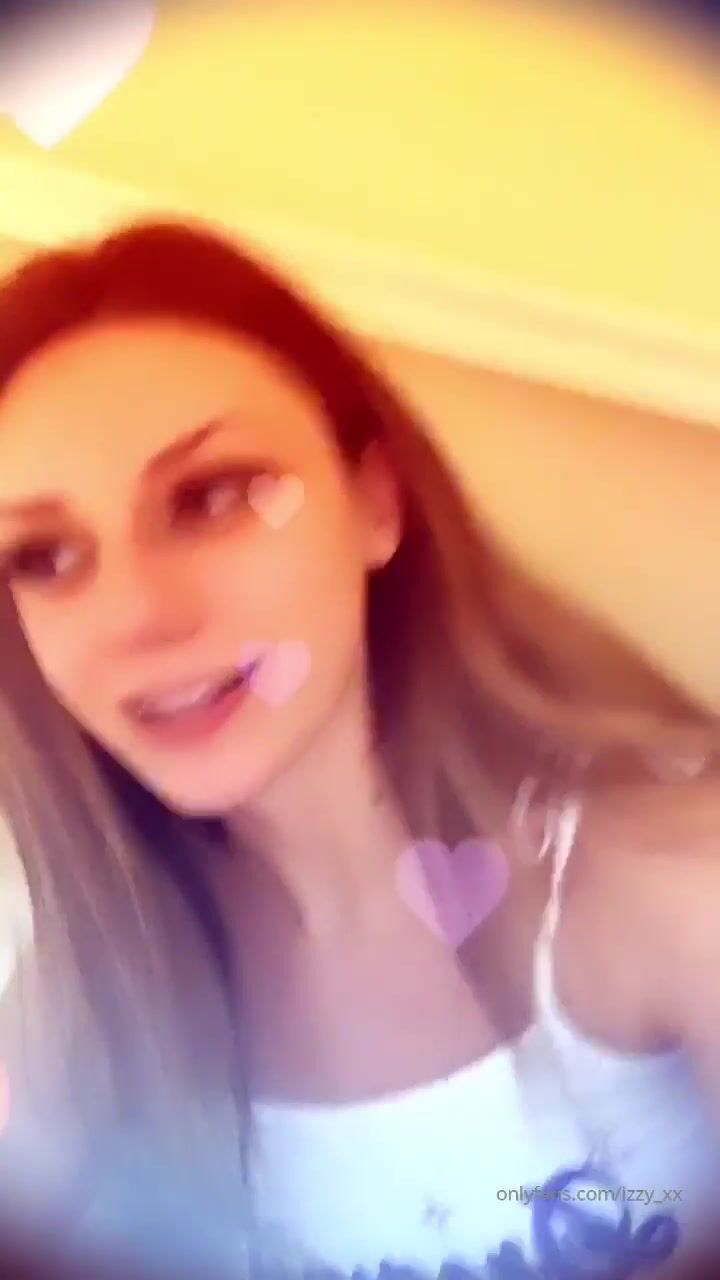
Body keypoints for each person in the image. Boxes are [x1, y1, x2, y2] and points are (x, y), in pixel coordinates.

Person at [0, 219, 719, 1280]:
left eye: (213, 497)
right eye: (45, 556)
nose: (137, 617)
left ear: (376, 503)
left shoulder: (668, 872)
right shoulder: (83, 1002)